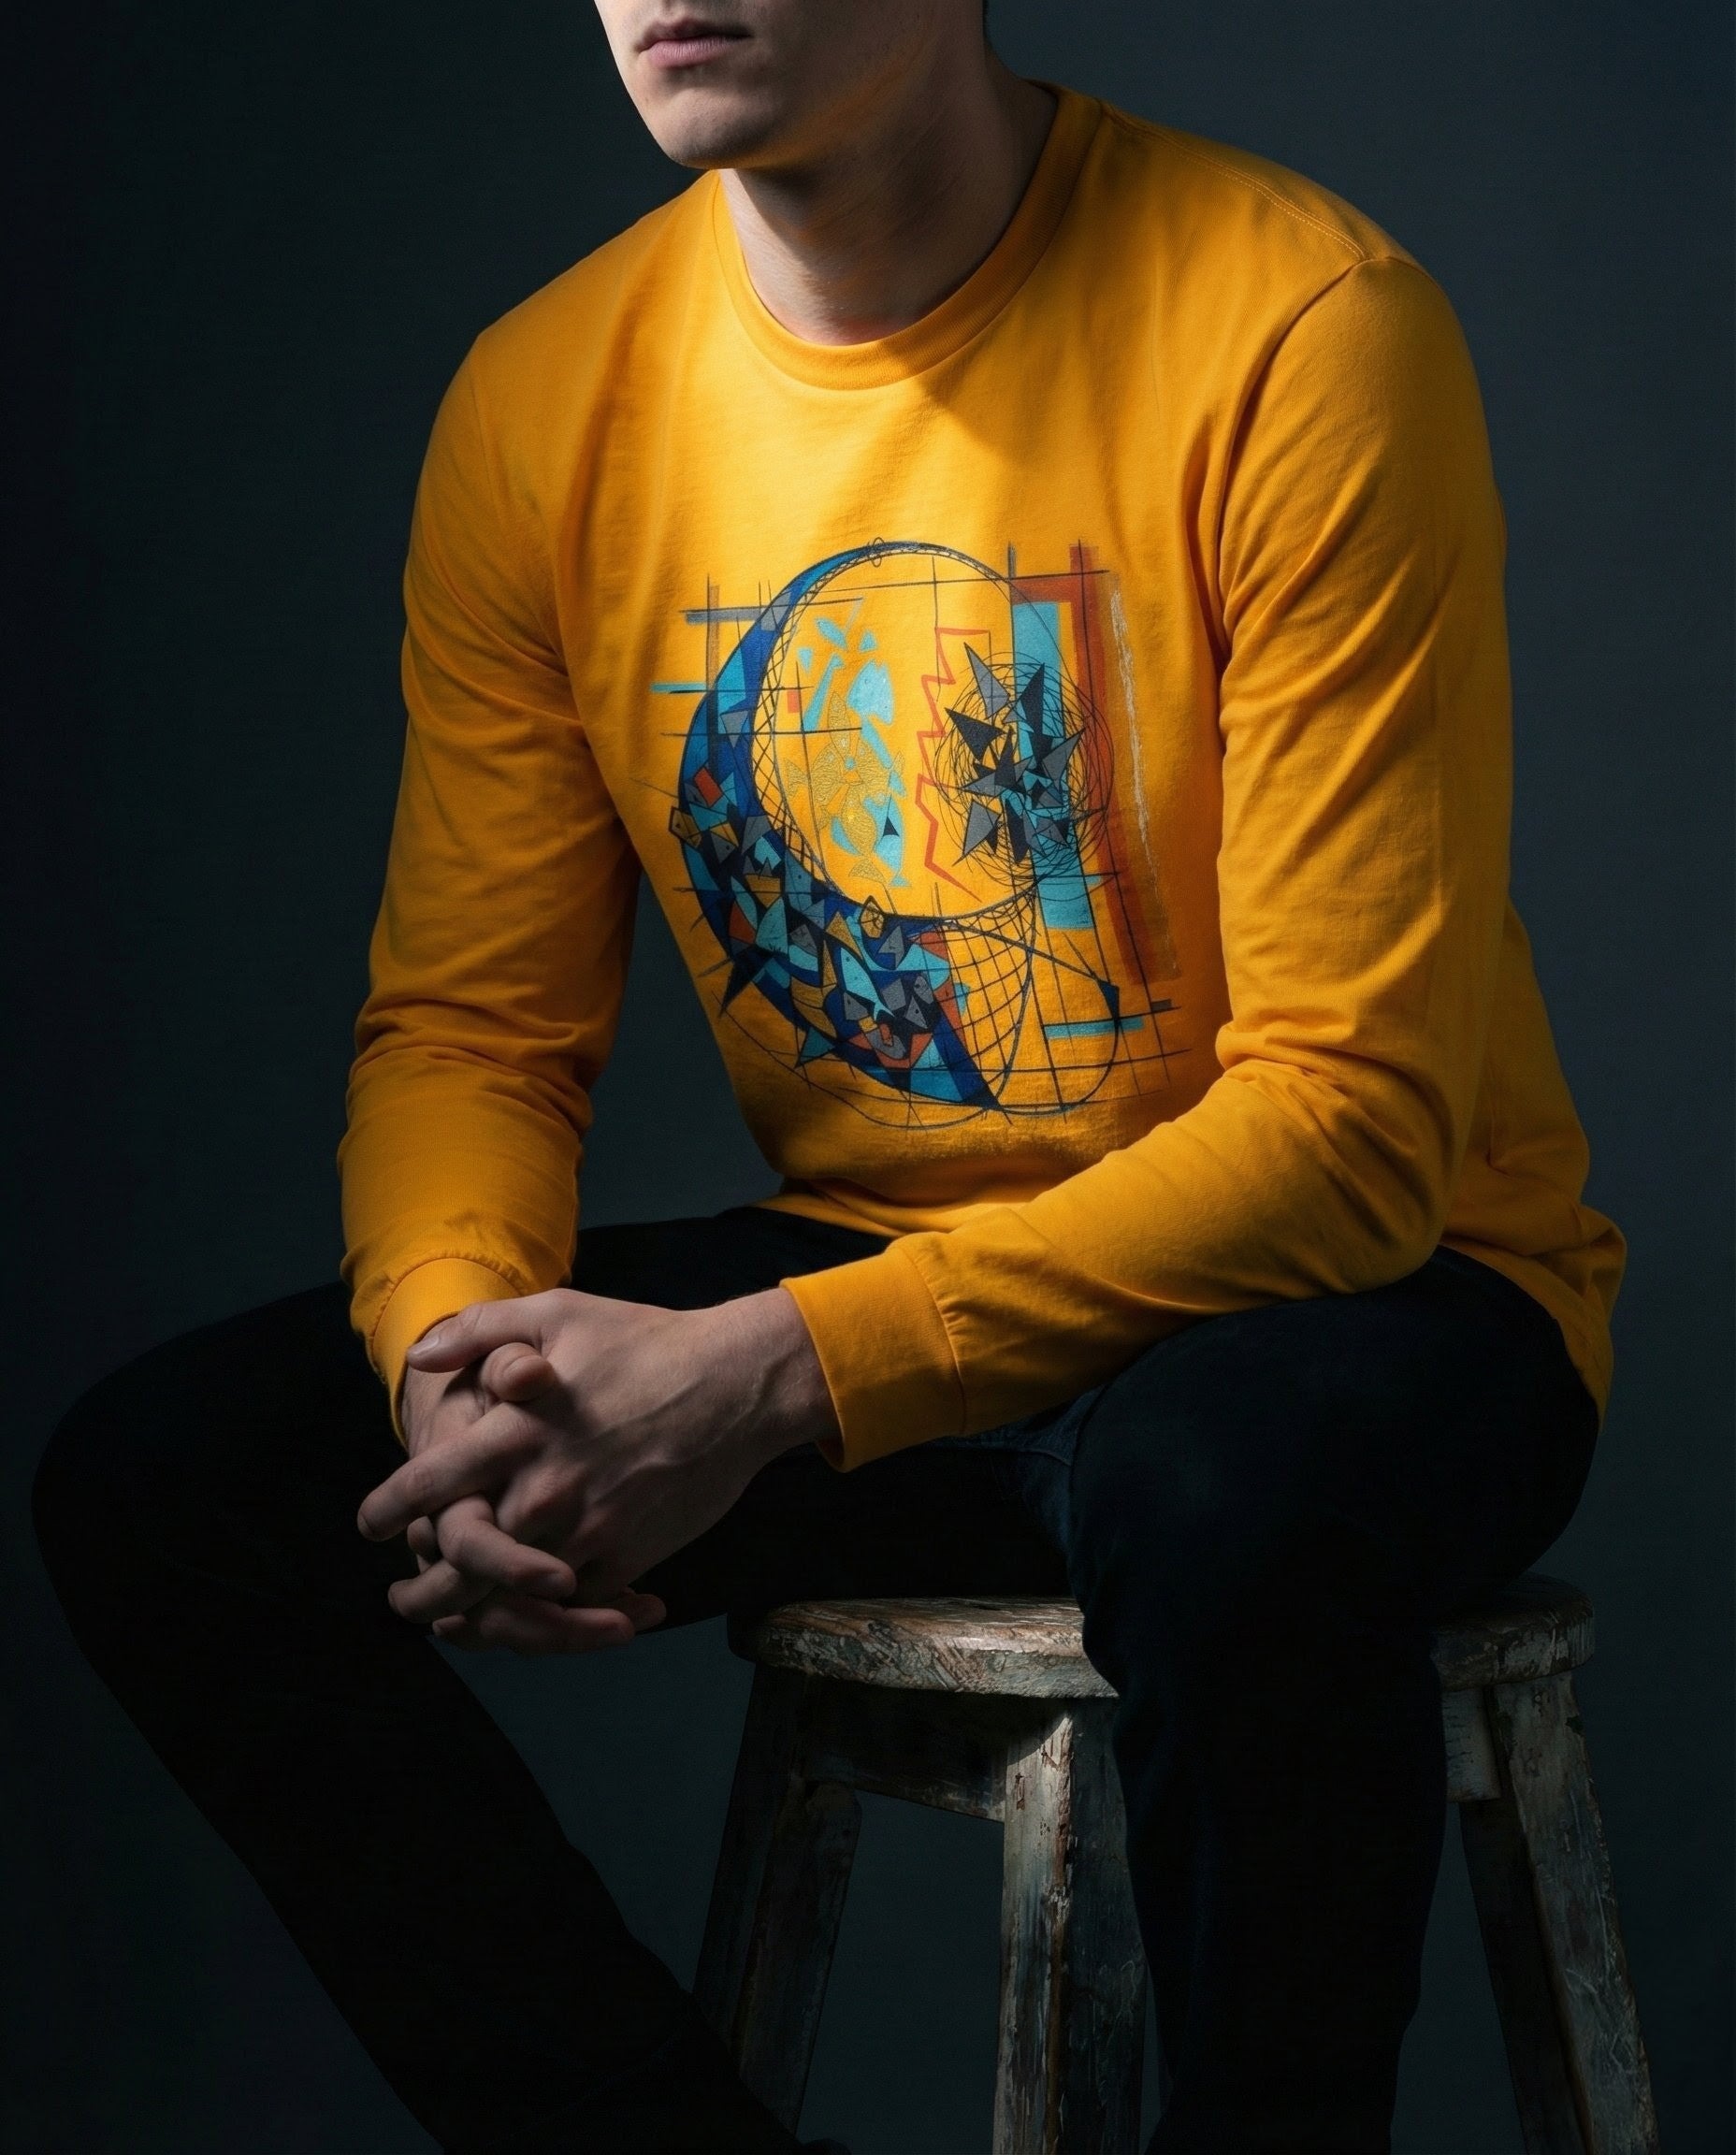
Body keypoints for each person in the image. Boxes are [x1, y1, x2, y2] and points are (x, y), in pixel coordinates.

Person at [34, 4, 1626, 2150]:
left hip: (1361, 1291)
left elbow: (1347, 1134)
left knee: (1214, 1491)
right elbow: (472, 1032)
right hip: (892, 1275)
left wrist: (767, 1377)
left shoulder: (1297, 321)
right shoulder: (543, 396)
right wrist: (449, 1361)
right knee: (172, 1481)